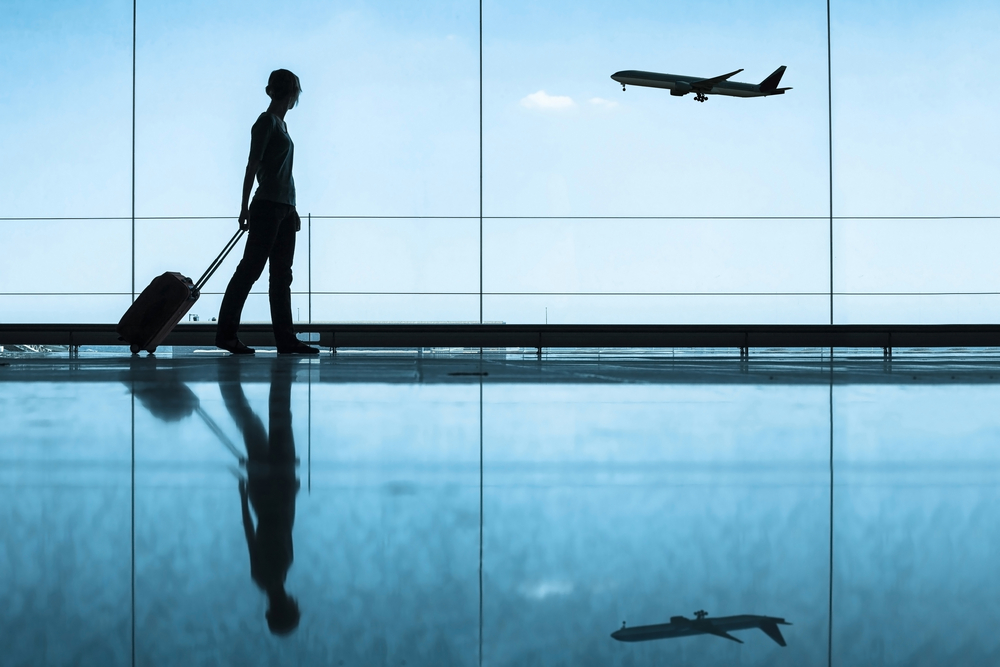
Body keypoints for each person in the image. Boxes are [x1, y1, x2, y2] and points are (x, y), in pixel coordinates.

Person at [216, 69, 318, 355]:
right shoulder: (266, 122)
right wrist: (244, 206)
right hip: (268, 207)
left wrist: (293, 207)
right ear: (292, 93)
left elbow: (282, 173)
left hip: (283, 208)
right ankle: (226, 335)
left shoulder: (282, 127)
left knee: (280, 275)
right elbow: (253, 165)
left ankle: (285, 339)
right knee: (251, 270)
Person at [220, 359, 302, 635]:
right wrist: (244, 495)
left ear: (288, 605)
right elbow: (254, 530)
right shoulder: (266, 576)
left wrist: (291, 490)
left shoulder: (274, 572)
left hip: (276, 487)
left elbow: (274, 525)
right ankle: (230, 384)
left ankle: (274, 376)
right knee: (253, 423)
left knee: (275, 419)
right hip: (264, 492)